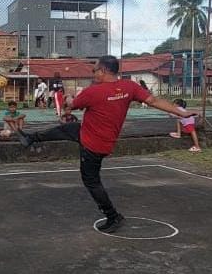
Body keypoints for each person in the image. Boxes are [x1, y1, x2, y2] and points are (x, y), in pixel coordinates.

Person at [16, 55, 198, 233]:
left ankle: (112, 216)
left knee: (91, 181)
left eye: (95, 70)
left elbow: (71, 106)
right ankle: (31, 138)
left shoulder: (93, 91)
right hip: (100, 138)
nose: (93, 73)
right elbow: (154, 101)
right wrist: (180, 112)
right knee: (67, 129)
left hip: (92, 144)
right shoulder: (129, 87)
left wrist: (68, 98)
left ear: (103, 71)